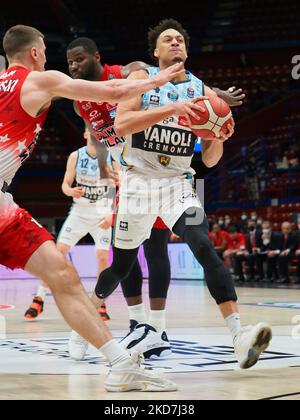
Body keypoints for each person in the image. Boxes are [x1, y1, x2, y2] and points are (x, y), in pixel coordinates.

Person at [77, 19, 272, 370]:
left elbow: (209, 160)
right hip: (136, 181)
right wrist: (171, 110)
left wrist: (216, 137)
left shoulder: (204, 94)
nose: (175, 43)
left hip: (180, 181)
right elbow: (121, 125)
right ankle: (88, 315)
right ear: (156, 51)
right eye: (167, 39)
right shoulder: (141, 79)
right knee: (120, 266)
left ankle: (239, 336)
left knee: (203, 245)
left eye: (180, 39)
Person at [0, 24, 183, 392]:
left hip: (4, 206)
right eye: (47, 54)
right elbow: (113, 91)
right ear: (36, 53)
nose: (50, 61)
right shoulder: (36, 80)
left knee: (63, 274)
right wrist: (156, 80)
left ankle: (120, 364)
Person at [24, 130, 113, 321]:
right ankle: (39, 298)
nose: (94, 134)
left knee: (103, 257)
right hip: (80, 212)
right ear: (85, 133)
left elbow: (117, 186)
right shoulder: (76, 156)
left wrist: (112, 213)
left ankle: (100, 303)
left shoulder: (109, 154)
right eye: (91, 130)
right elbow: (64, 185)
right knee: (57, 254)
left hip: (102, 211)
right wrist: (71, 191)